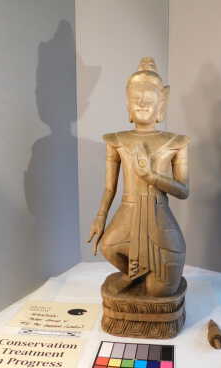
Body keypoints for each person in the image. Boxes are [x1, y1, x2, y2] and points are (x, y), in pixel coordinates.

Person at [88, 57, 190, 297]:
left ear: (161, 105)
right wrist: (100, 217)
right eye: (136, 99)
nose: (142, 103)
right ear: (127, 105)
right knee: (108, 247)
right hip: (129, 211)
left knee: (160, 293)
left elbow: (183, 191)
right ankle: (134, 274)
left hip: (158, 214)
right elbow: (109, 188)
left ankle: (143, 275)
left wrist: (151, 176)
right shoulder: (117, 140)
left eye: (149, 99)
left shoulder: (176, 142)